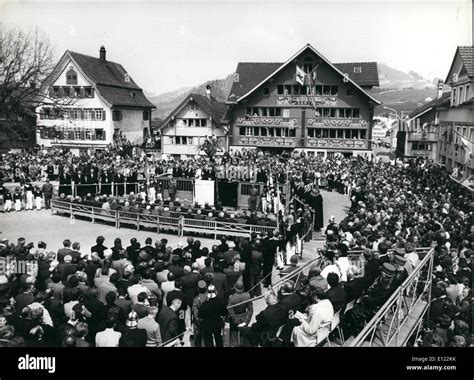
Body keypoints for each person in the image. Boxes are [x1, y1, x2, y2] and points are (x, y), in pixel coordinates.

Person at [227, 280, 253, 347]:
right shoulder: (247, 296)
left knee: (234, 335)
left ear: (235, 288)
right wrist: (246, 321)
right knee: (244, 336)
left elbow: (231, 313)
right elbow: (250, 310)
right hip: (244, 317)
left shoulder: (231, 298)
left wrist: (237, 322)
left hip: (235, 318)